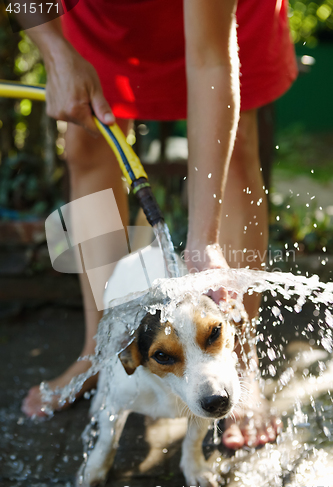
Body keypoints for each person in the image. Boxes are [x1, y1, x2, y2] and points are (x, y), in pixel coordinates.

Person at [21, 0, 297, 450]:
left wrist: (202, 241)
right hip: (104, 16)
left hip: (220, 18)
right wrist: (53, 49)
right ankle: (101, 351)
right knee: (87, 143)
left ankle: (238, 360)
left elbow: (210, 60)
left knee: (237, 147)